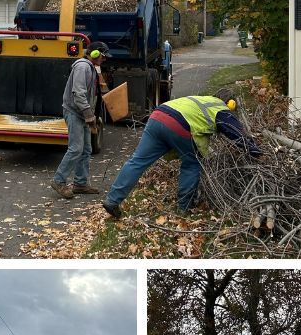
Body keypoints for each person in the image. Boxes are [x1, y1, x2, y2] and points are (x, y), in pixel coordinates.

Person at [102, 88, 261, 219]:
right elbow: (236, 132)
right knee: (192, 164)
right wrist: (254, 150)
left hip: (157, 117)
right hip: (178, 124)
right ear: (230, 104)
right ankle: (183, 208)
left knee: (137, 162)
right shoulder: (221, 108)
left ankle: (112, 200)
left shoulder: (202, 100)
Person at [52, 42, 109, 200]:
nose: (104, 60)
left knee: (85, 149)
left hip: (82, 113)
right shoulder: (82, 67)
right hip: (74, 112)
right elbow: (78, 92)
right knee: (76, 148)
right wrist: (88, 114)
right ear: (96, 54)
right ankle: (59, 180)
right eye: (103, 56)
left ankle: (80, 183)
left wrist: (90, 114)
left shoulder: (90, 67)